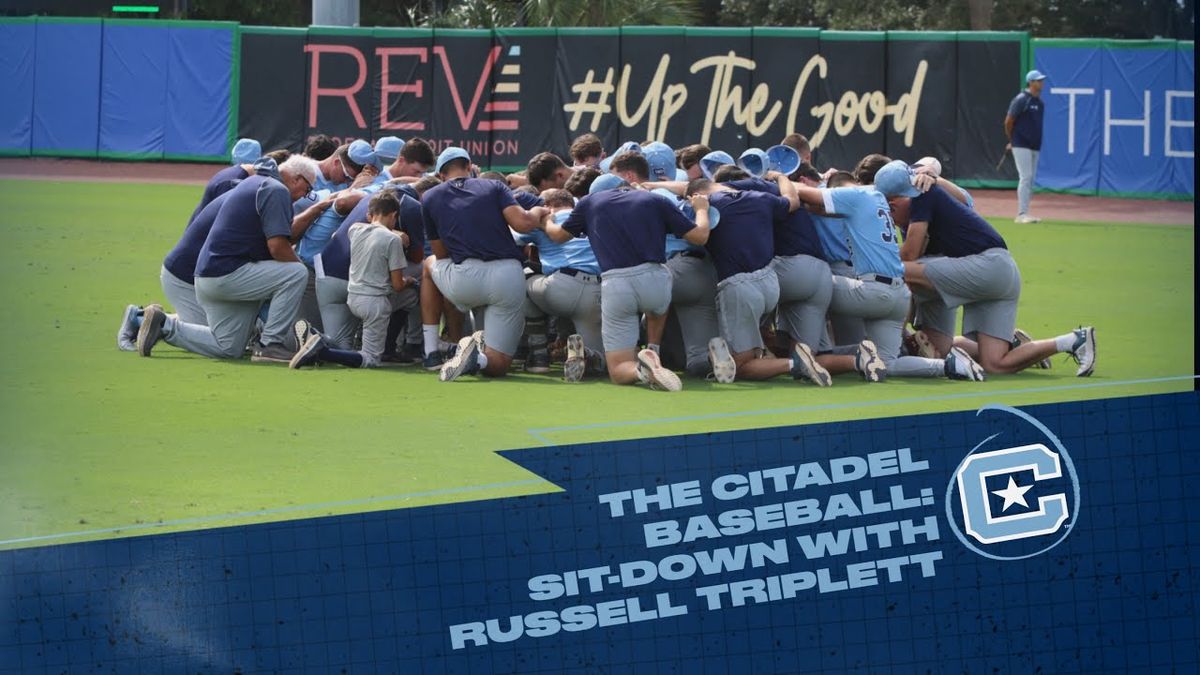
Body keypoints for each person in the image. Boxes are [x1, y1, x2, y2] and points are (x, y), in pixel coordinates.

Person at [874, 160, 1096, 377]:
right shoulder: (916, 193)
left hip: (988, 266)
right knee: (995, 363)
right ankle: (1072, 340)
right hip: (1001, 275)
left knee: (894, 270)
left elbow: (907, 258)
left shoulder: (922, 193)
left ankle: (892, 344)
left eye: (888, 208)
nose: (888, 217)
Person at [541, 153, 711, 392]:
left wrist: (547, 221)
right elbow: (700, 236)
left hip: (616, 283)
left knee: (620, 370)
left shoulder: (590, 203)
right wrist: (702, 209)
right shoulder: (654, 200)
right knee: (657, 308)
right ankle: (653, 351)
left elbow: (558, 236)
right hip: (656, 278)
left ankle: (641, 369)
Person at [135, 156, 318, 361]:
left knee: (229, 347)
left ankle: (163, 325)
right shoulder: (276, 189)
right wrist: (301, 268)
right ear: (298, 179)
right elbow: (277, 247)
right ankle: (270, 345)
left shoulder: (255, 182)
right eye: (308, 190)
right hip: (226, 274)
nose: (305, 196)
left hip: (209, 275)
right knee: (297, 273)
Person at [422, 147, 549, 381]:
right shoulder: (494, 186)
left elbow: (440, 254)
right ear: (470, 166)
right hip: (507, 277)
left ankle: (431, 352)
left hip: (464, 281)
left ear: (440, 175)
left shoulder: (430, 197)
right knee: (498, 364)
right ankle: (479, 360)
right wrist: (539, 210)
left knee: (428, 265)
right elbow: (522, 223)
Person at [290, 191, 417, 369]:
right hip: (374, 302)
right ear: (394, 215)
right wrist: (408, 281)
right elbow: (397, 285)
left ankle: (315, 337)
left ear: (369, 214)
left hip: (353, 296)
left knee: (342, 347)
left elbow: (350, 231)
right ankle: (322, 350)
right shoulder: (392, 240)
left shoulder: (354, 229)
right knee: (371, 359)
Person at [521, 189, 606, 382]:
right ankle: (589, 355)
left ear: (547, 206)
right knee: (601, 364)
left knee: (521, 277)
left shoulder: (544, 219)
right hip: (597, 291)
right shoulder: (591, 217)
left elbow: (510, 236)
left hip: (561, 287)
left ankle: (539, 354)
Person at [1005, 70, 1047, 224]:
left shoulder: (1040, 103)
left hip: (1035, 146)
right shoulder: (1022, 99)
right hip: (1021, 144)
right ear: (1031, 82)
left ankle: (1026, 213)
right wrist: (1012, 140)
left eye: (1042, 80)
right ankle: (1021, 214)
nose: (1041, 83)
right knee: (1026, 177)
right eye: (1038, 80)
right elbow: (1009, 121)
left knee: (1031, 179)